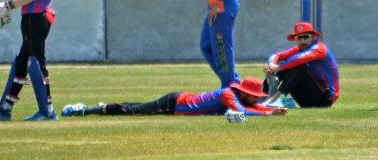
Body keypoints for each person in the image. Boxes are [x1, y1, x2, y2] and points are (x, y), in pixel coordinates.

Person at [60, 77, 286, 118]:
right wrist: (269, 113)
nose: (257, 100)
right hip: (175, 103)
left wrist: (267, 110)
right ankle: (85, 110)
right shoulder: (229, 95)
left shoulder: (234, 98)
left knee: (136, 108)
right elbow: (243, 112)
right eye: (255, 96)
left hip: (178, 102)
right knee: (134, 111)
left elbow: (244, 112)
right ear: (244, 92)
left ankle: (102, 107)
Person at [262, 21, 340, 108]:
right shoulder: (299, 49)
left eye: (306, 37)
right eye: (299, 38)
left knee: (297, 66)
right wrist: (271, 66)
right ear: (295, 39)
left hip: (325, 99)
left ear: (313, 37)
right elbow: (277, 55)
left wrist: (279, 67)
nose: (302, 40)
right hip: (305, 99)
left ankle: (276, 100)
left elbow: (299, 59)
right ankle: (261, 98)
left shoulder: (320, 48)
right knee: (283, 64)